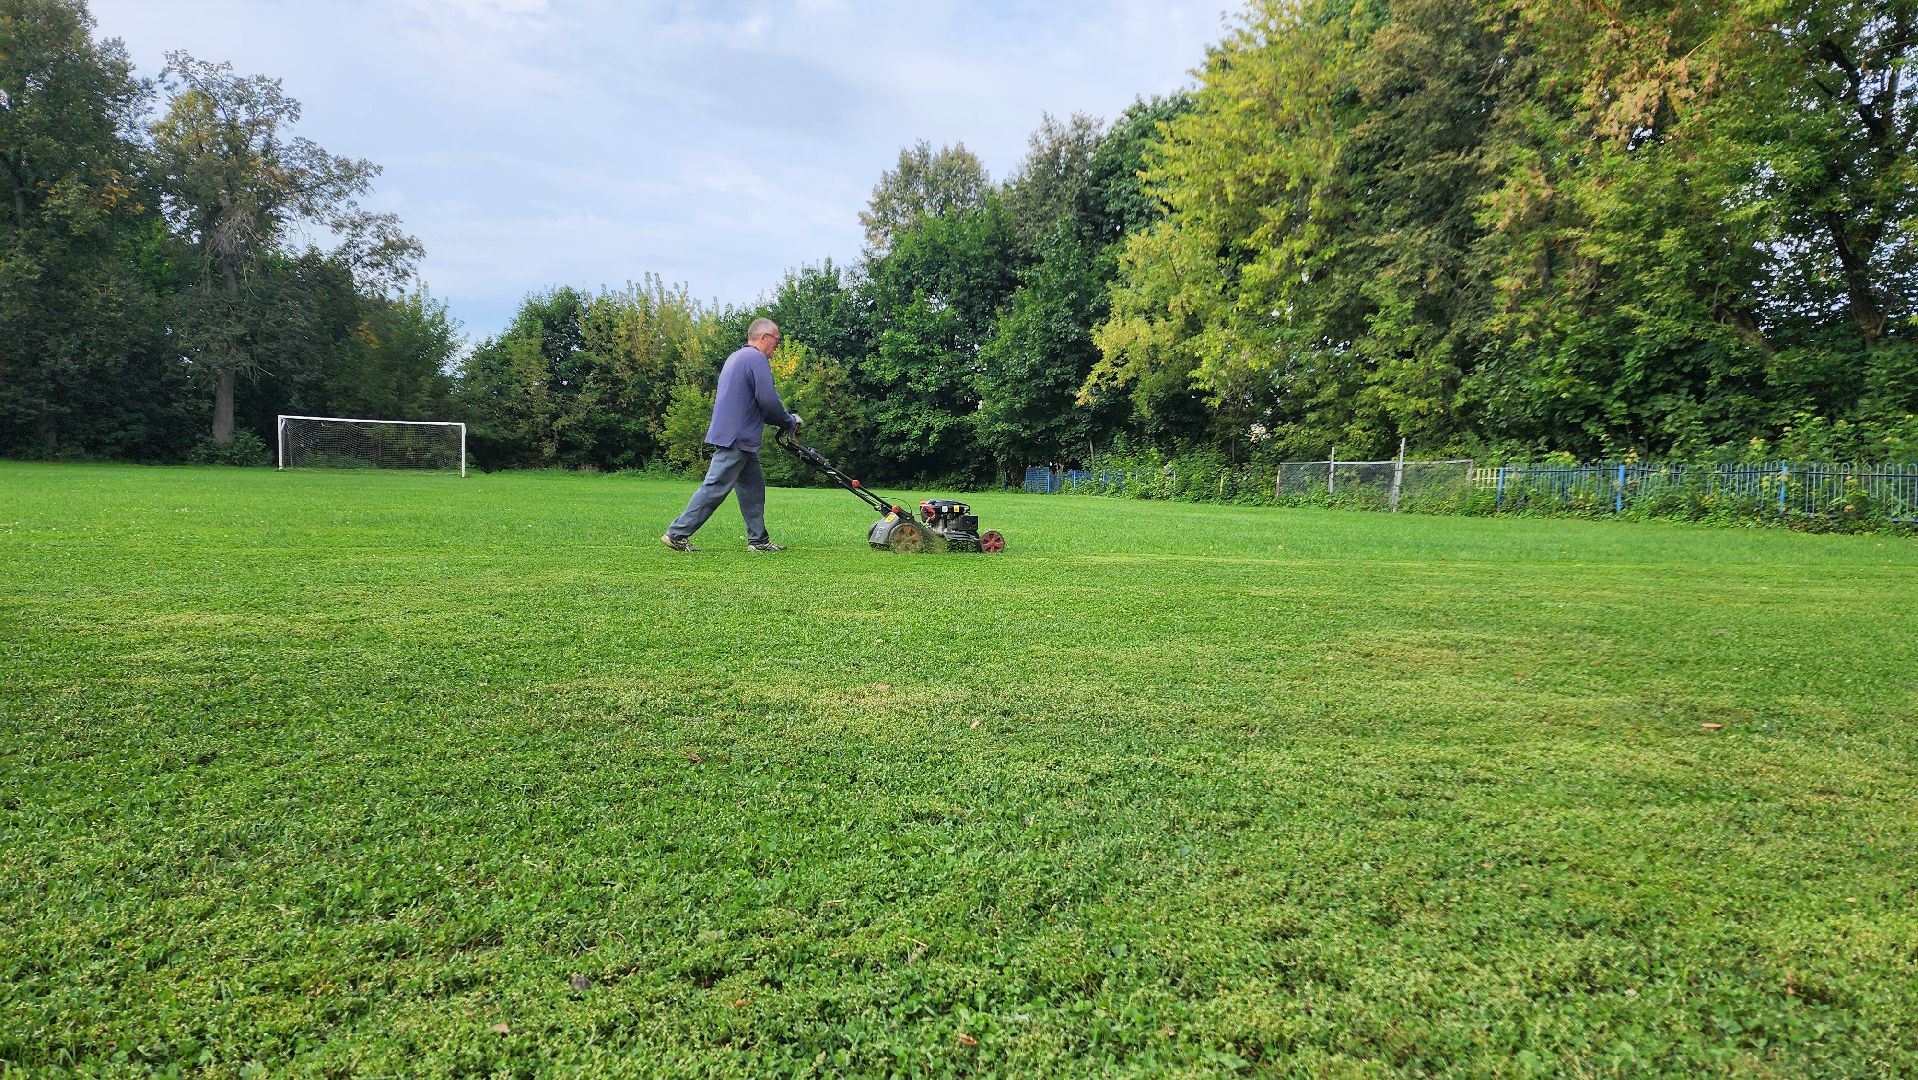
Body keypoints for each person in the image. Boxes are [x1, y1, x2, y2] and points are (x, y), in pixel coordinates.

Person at [661, 318, 800, 552]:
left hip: (737, 436)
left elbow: (753, 404)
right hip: (737, 437)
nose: (776, 347)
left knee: (753, 488)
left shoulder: (736, 357)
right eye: (776, 341)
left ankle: (758, 540)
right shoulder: (756, 358)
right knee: (715, 486)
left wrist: (782, 421)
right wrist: (789, 421)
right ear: (764, 337)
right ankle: (677, 533)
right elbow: (767, 400)